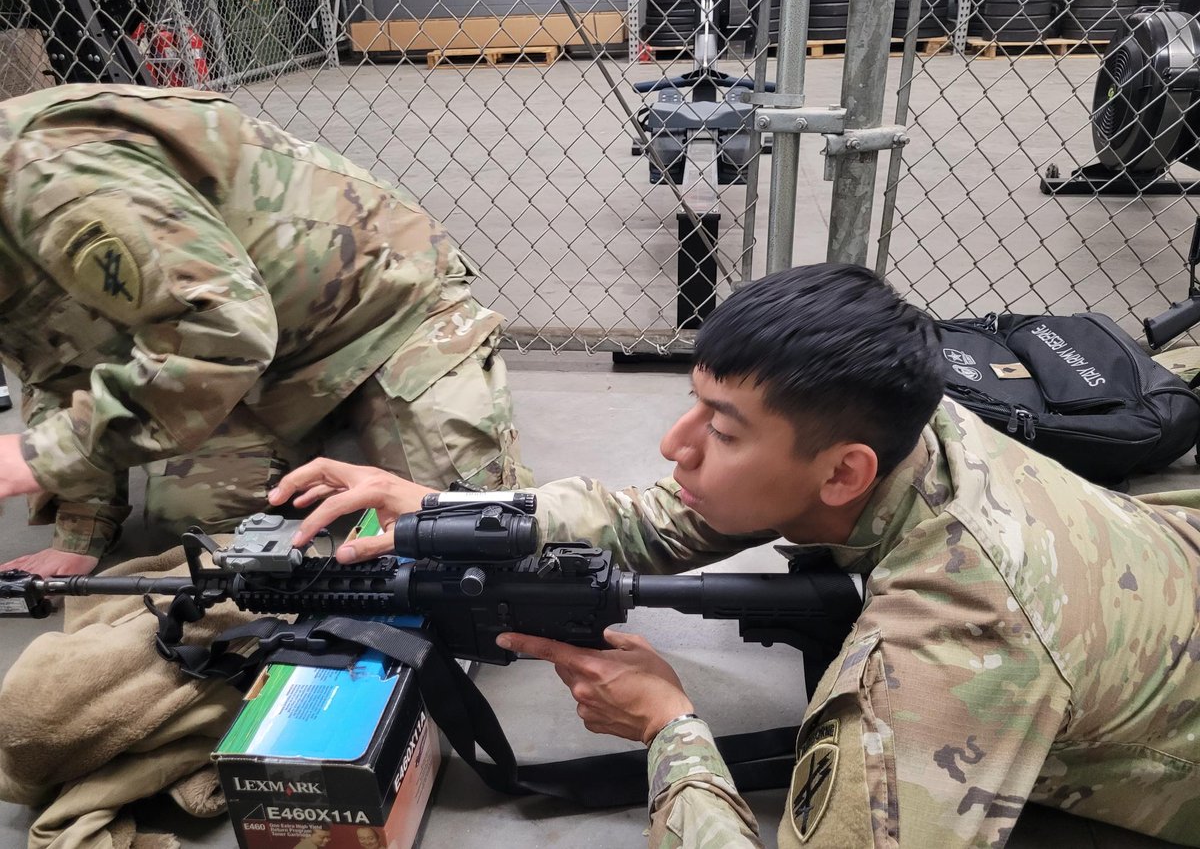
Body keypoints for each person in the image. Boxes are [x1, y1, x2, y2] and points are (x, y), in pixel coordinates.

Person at [274, 263, 1200, 848]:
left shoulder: (961, 632)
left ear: (843, 473)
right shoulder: (907, 425)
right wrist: (452, 510)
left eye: (719, 429)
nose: (676, 444)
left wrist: (670, 732)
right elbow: (660, 524)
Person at [0, 83, 531, 579]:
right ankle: (329, 432)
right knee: (192, 526)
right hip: (259, 360)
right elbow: (58, 361)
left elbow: (221, 327)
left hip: (380, 310)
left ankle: (376, 415)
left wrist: (39, 456)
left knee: (465, 533)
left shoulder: (53, 181)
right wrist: (79, 534)